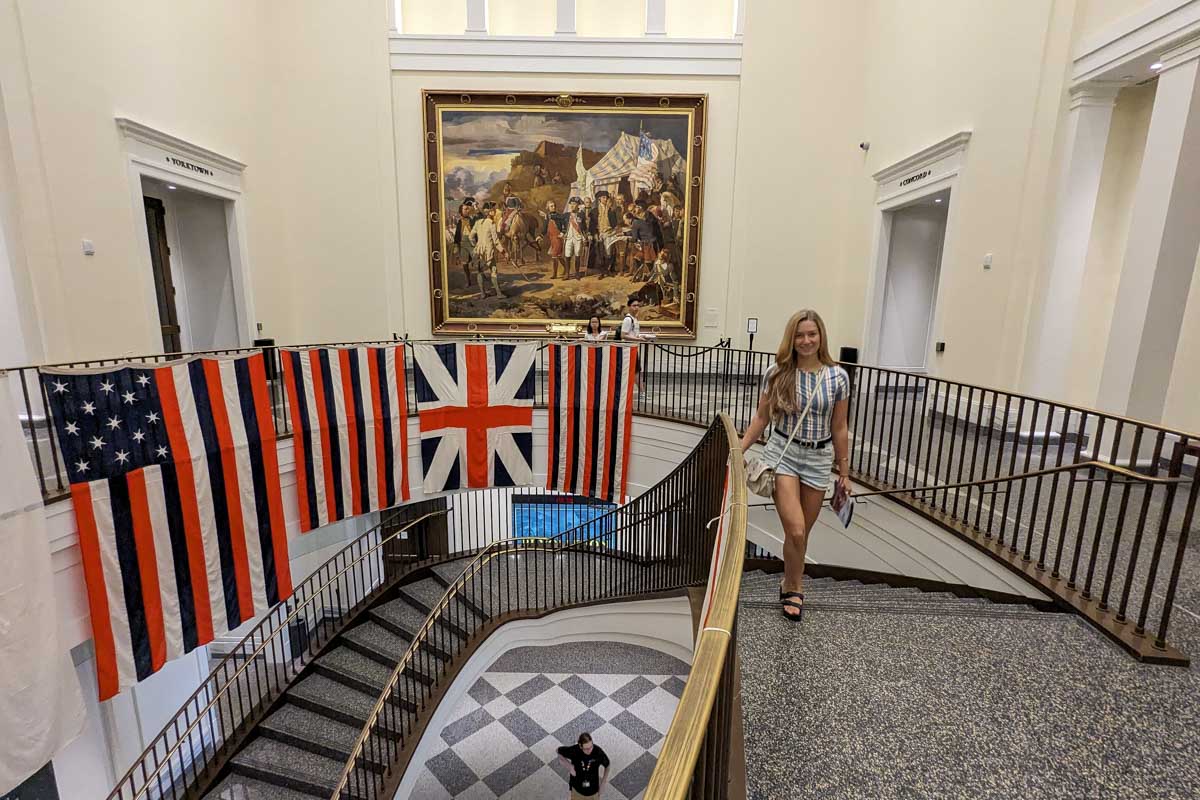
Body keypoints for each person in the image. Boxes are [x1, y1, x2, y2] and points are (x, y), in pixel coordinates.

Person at [738, 309, 852, 622]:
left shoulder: (837, 377)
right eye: (800, 335)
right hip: (783, 453)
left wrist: (844, 473)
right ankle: (795, 586)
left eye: (811, 334)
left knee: (801, 535)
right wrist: (739, 447)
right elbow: (761, 418)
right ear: (792, 338)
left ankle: (788, 580)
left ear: (821, 337)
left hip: (818, 459)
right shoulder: (777, 372)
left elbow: (840, 427)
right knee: (797, 530)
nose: (805, 341)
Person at [557, 732, 610, 798]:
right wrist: (569, 766)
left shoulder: (598, 752)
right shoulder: (575, 750)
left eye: (591, 746)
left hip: (593, 791)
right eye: (587, 749)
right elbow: (558, 751)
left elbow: (607, 765)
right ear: (580, 746)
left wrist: (603, 783)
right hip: (577, 790)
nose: (590, 750)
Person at [470, 204, 506, 299]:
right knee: (493, 270)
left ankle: (482, 294)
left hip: (479, 250)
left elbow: (471, 236)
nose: (495, 212)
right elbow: (496, 241)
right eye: (493, 210)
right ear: (489, 212)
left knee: (480, 271)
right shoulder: (491, 223)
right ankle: (499, 294)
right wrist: (503, 252)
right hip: (488, 250)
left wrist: (476, 245)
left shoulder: (478, 222)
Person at [620, 297, 655, 392]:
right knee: (636, 371)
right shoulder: (628, 320)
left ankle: (641, 390)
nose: (636, 308)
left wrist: (642, 336)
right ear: (629, 307)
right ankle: (642, 391)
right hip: (628, 348)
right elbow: (623, 335)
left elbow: (633, 333)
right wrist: (638, 338)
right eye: (634, 305)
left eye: (638, 306)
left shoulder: (634, 319)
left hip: (633, 347)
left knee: (636, 370)